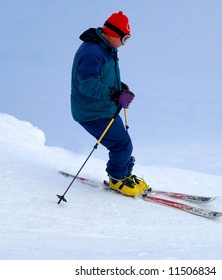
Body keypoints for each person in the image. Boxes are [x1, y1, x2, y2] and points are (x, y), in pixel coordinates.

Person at [71, 11, 149, 197]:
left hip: (104, 107)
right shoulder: (92, 52)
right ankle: (117, 179)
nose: (124, 43)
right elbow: (87, 85)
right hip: (91, 111)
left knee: (123, 141)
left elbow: (101, 77)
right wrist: (115, 94)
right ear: (113, 34)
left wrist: (119, 87)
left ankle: (125, 174)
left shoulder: (105, 48)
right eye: (125, 38)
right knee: (121, 145)